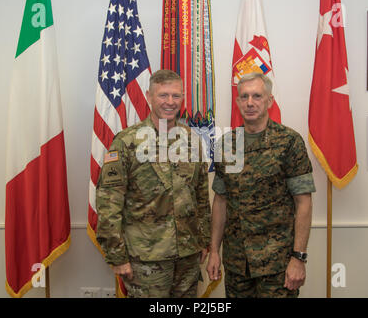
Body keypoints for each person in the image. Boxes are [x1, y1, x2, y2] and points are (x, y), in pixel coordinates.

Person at [96, 69, 211, 298]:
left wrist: (204, 240)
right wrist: (117, 257)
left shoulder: (191, 141)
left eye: (176, 96)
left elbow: (201, 196)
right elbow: (109, 203)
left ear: (183, 98)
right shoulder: (126, 142)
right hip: (146, 261)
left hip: (187, 257)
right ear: (149, 96)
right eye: (163, 95)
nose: (170, 102)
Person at [206, 72, 316, 298]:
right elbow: (220, 200)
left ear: (269, 100)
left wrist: (299, 258)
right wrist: (214, 251)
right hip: (237, 263)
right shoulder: (226, 144)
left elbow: (303, 202)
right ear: (237, 102)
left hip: (277, 264)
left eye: (257, 96)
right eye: (244, 96)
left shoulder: (289, 142)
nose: (250, 102)